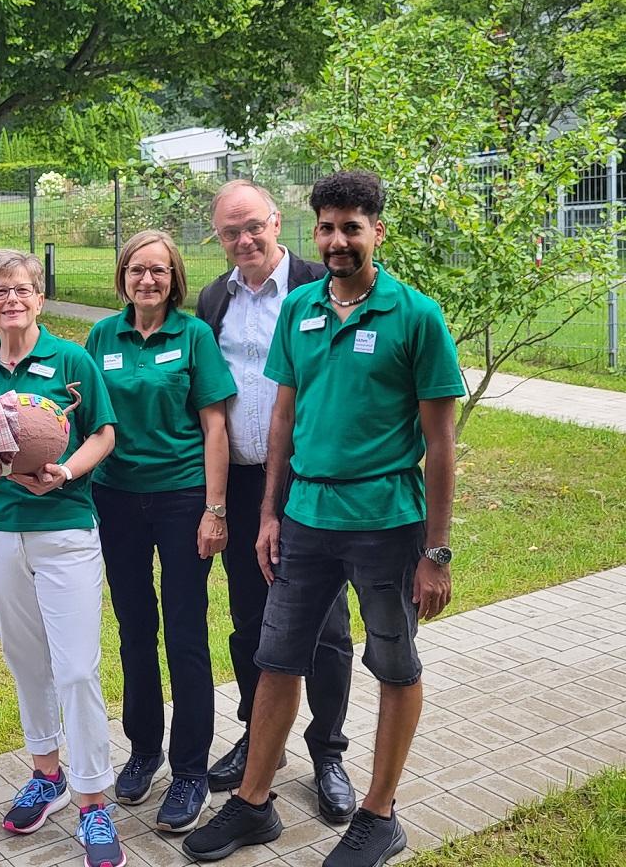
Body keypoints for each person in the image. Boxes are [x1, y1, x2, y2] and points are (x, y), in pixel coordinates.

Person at [184, 171, 464, 867]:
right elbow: (284, 416)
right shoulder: (302, 309)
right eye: (329, 228)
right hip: (305, 518)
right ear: (315, 230)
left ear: (378, 233)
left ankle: (380, 814)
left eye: (353, 228)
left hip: (386, 521)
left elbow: (441, 445)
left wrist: (437, 551)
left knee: (392, 663)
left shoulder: (416, 317)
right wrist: (271, 512)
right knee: (276, 657)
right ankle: (253, 805)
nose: (339, 241)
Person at [0, 250, 125, 867]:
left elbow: (103, 432)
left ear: (40, 298)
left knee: (76, 667)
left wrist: (67, 472)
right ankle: (47, 772)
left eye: (22, 290)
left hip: (65, 528)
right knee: (27, 662)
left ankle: (93, 802)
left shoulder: (72, 360)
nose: (11, 301)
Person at [195, 180, 357, 823]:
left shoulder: (323, 282)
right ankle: (260, 738)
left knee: (326, 625)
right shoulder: (214, 298)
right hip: (237, 481)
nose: (244, 241)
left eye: (253, 227)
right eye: (230, 232)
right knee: (250, 618)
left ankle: (329, 751)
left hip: (310, 483)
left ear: (278, 221)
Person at [83, 231, 237, 833]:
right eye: (137, 270)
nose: (148, 280)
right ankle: (144, 749)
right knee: (133, 629)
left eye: (160, 271)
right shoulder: (103, 336)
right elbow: (87, 418)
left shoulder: (194, 335)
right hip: (116, 499)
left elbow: (215, 428)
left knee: (185, 630)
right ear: (122, 276)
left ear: (174, 278)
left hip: (181, 499)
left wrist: (215, 508)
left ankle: (191, 768)